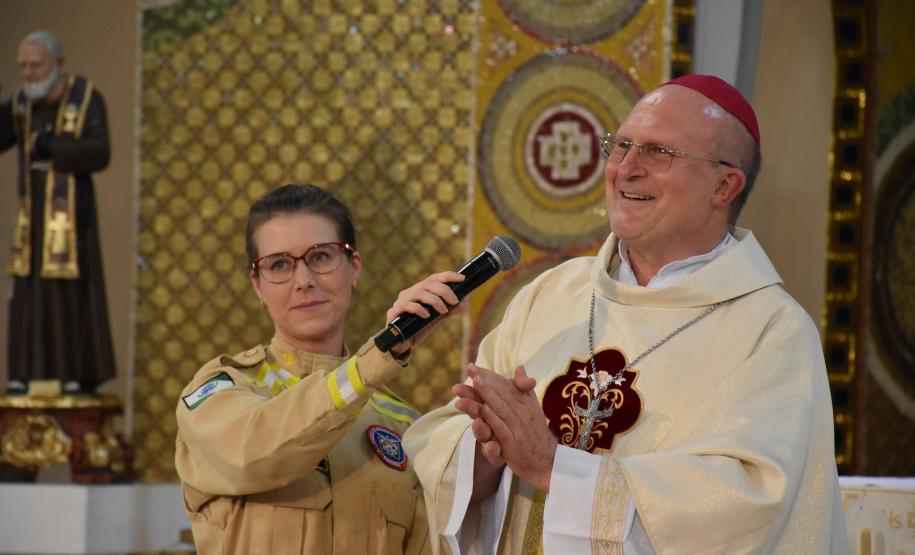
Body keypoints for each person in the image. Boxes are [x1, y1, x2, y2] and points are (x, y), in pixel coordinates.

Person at [402, 75, 849, 553]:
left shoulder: (771, 330)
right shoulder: (553, 294)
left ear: (724, 185)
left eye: (659, 152)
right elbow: (449, 439)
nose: (626, 168)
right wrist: (485, 449)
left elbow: (748, 505)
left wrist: (555, 466)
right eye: (621, 146)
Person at [175, 184, 463, 553]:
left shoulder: (402, 424)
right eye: (279, 264)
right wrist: (374, 362)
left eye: (321, 257)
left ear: (354, 267)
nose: (304, 280)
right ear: (257, 285)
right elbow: (255, 451)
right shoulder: (224, 391)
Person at [0, 30, 114, 395]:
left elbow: (100, 152)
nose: (29, 73)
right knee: (28, 292)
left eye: (37, 64)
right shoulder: (22, 104)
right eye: (23, 66)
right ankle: (23, 373)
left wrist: (57, 147)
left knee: (66, 293)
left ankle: (72, 371)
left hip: (70, 219)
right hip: (32, 218)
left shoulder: (85, 98)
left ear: (58, 64)